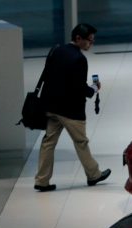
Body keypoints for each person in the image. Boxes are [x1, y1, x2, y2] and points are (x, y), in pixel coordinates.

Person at [34, 23, 111, 192]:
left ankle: (42, 180)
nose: (91, 44)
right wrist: (94, 89)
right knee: (81, 142)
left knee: (48, 143)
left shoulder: (57, 50)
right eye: (89, 41)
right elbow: (79, 88)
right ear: (78, 38)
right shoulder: (79, 59)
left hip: (51, 106)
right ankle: (93, 175)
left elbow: (49, 77)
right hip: (70, 110)